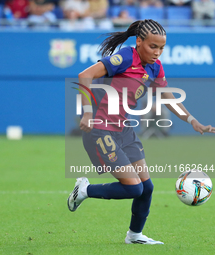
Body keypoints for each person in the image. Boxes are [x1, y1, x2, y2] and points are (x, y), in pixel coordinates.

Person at [67, 19, 215, 244]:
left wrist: (192, 120)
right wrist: (87, 112)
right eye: (153, 47)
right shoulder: (126, 57)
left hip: (123, 129)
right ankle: (85, 189)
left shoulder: (155, 67)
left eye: (162, 48)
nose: (157, 53)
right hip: (100, 128)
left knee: (146, 187)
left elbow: (167, 96)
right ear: (139, 42)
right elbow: (84, 75)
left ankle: (134, 236)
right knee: (134, 188)